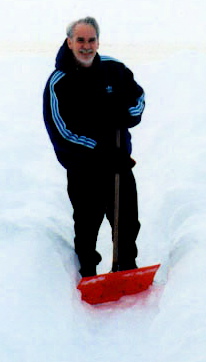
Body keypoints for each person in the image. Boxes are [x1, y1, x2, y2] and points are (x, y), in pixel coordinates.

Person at [43, 17, 145, 277]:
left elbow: (138, 98)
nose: (86, 46)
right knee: (87, 224)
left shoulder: (115, 70)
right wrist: (100, 149)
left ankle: (126, 267)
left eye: (91, 40)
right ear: (69, 42)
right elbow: (61, 131)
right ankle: (87, 272)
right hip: (83, 169)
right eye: (80, 40)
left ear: (98, 41)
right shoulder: (59, 82)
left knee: (126, 220)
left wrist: (128, 114)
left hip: (119, 162)